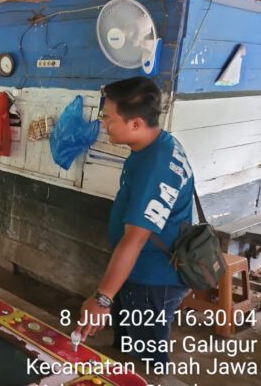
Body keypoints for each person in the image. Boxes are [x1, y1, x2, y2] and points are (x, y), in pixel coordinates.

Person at [75, 77, 193, 364]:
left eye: (108, 118)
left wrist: (102, 299)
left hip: (152, 280)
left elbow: (135, 239)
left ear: (136, 123)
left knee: (146, 360)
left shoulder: (156, 165)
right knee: (128, 349)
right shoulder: (157, 144)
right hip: (138, 273)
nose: (103, 124)